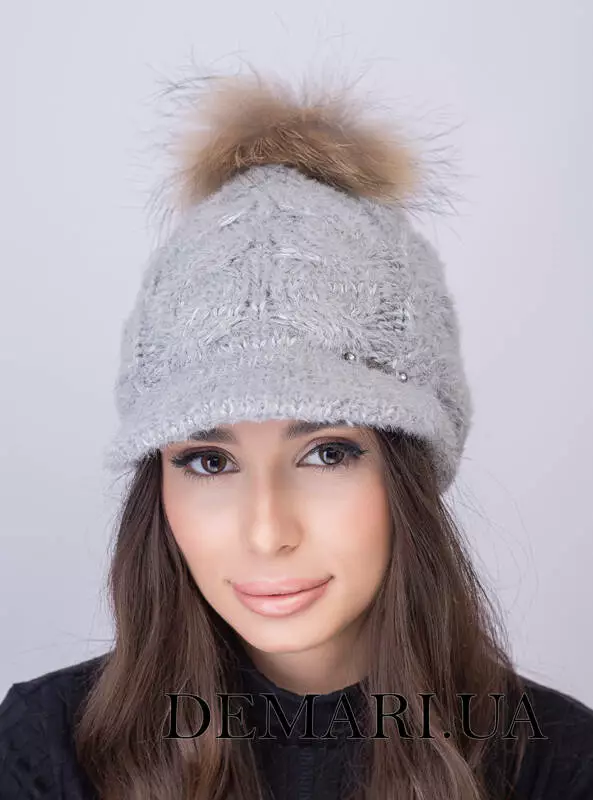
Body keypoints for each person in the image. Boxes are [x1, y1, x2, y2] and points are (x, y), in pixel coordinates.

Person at [1, 70, 592, 800]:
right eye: (208, 461)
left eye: (327, 452)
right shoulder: (47, 749)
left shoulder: (557, 764)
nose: (267, 531)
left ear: (406, 470)